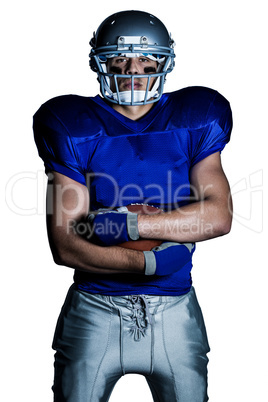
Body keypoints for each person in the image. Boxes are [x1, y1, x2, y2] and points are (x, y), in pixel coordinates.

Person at [33, 10, 233, 402]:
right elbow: (66, 245)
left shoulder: (197, 116)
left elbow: (218, 216)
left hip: (175, 307)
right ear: (100, 63)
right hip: (95, 308)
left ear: (164, 62)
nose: (132, 70)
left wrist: (125, 227)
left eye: (145, 60)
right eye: (119, 59)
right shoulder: (70, 123)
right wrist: (149, 262)